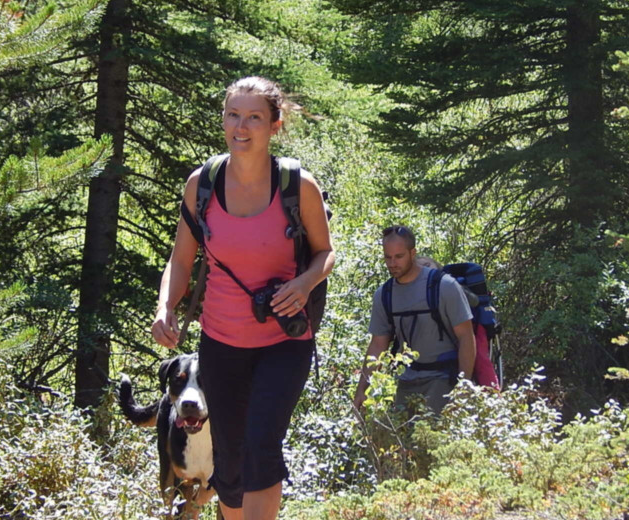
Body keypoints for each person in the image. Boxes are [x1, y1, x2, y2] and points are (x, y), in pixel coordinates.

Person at [151, 76, 334, 520]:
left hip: (283, 340)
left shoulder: (297, 185)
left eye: (254, 117)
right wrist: (165, 308)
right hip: (221, 341)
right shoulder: (203, 184)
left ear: (275, 124)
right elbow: (180, 259)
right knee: (228, 460)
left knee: (260, 444)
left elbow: (325, 252)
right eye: (234, 114)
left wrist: (304, 283)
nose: (242, 126)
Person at [353, 226, 475, 415]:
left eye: (399, 256)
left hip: (444, 379)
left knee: (429, 437)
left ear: (413, 253)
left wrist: (464, 385)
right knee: (400, 440)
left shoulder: (445, 286)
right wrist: (363, 389)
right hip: (407, 381)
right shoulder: (384, 295)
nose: (392, 263)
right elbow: (378, 344)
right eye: (388, 257)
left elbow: (466, 337)